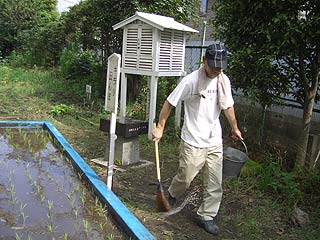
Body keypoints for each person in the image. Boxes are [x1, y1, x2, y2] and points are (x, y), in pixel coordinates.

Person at [152, 43, 243, 235]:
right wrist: (160, 127)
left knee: (214, 182)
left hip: (214, 141)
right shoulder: (190, 81)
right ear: (204, 61)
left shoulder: (223, 80)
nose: (217, 70)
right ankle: (172, 193)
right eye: (214, 66)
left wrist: (234, 128)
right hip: (193, 140)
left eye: (221, 67)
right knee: (186, 177)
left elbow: (227, 106)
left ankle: (206, 215)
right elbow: (170, 102)